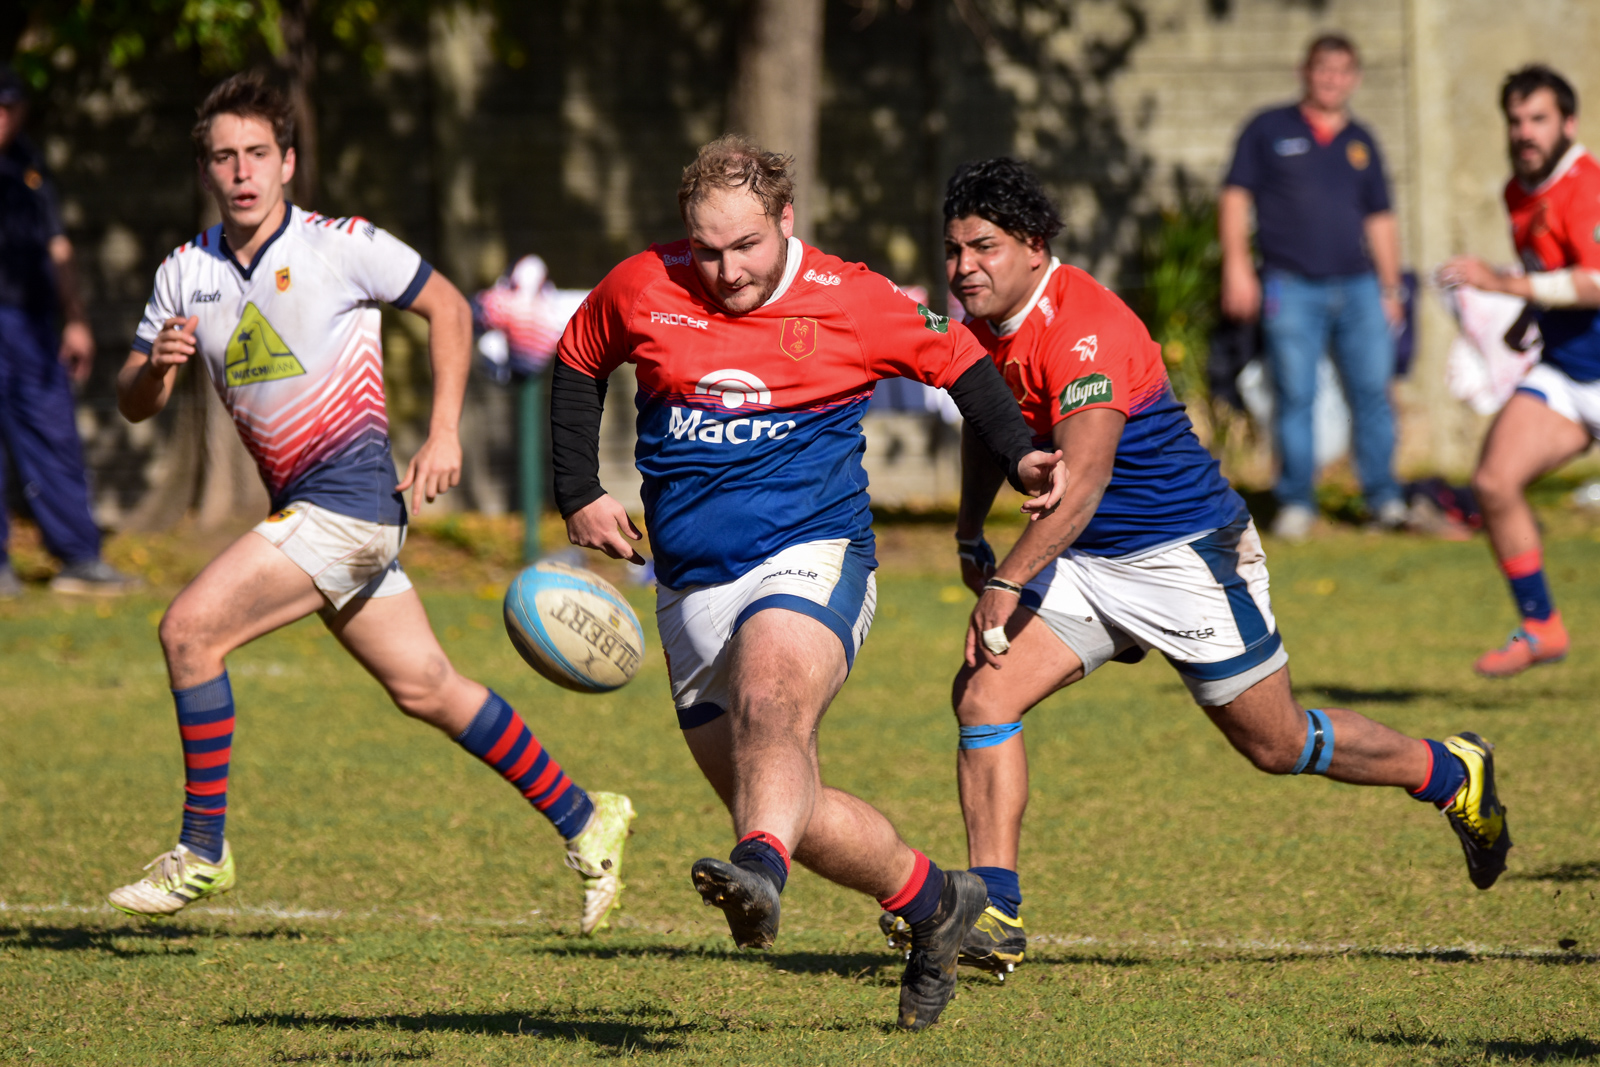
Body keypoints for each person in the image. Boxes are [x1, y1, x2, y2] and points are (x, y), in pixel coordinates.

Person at [881, 157, 1510, 978]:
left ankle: (1450, 769)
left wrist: (1005, 581)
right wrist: (970, 529)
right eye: (954, 249)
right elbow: (990, 416)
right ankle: (996, 909)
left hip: (1183, 557)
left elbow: (1083, 486)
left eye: (983, 247)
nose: (964, 267)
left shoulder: (1086, 328)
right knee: (983, 692)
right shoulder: (987, 327)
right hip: (1086, 560)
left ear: (1034, 246)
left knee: (1275, 743)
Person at [551, 135, 1066, 1030]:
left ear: (786, 220)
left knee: (771, 704)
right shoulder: (643, 284)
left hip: (811, 553)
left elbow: (961, 362)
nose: (727, 271)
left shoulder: (850, 297)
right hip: (688, 586)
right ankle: (936, 903)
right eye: (707, 250)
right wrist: (579, 491)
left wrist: (1022, 455)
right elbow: (578, 357)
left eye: (747, 246)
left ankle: (759, 873)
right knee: (786, 798)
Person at [105, 73, 634, 934]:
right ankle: (586, 815)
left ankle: (202, 849)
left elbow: (449, 307)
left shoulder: (340, 244)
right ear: (205, 171)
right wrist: (156, 368)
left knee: (190, 632)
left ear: (287, 163)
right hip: (307, 510)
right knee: (427, 686)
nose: (241, 171)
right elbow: (134, 399)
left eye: (257, 154)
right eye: (224, 157)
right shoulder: (183, 273)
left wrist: (444, 431)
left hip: (350, 503)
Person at [1438, 66, 1597, 679]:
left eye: (1539, 119)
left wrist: (1502, 285)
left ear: (1568, 123)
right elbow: (1553, 272)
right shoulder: (1519, 190)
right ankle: (1542, 627)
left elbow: (1594, 282)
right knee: (1495, 481)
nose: (1525, 132)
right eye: (1516, 120)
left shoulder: (1586, 186)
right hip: (1567, 374)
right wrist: (1527, 315)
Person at [1219, 33, 1406, 541]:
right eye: (1324, 68)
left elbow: (1381, 218)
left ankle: (1384, 499)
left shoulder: (1361, 141)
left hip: (1361, 287)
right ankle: (1296, 503)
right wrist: (1237, 267)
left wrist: (1392, 288)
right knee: (1295, 394)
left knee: (1373, 392)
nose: (1332, 79)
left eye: (1342, 71)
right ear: (1304, 72)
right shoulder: (1267, 129)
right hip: (1290, 285)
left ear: (1355, 79)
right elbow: (1235, 199)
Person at [0, 65, 138, 597]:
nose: (3, 117)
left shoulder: (29, 164)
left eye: (10, 107)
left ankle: (79, 557)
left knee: (54, 432)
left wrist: (76, 319)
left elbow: (57, 246)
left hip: (31, 325)